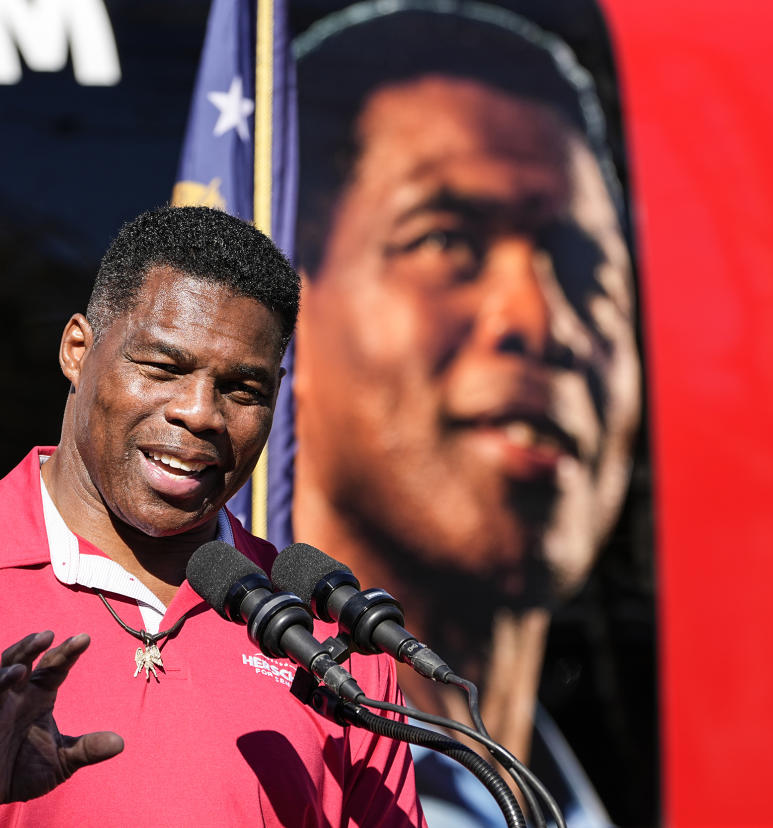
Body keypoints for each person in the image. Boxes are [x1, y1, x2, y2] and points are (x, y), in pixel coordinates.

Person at [0, 206, 423, 827]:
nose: (201, 412)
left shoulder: (325, 633)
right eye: (162, 367)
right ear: (77, 349)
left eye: (243, 389)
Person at [290, 4, 641, 826]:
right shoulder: (247, 777)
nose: (539, 319)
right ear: (290, 314)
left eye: (585, 268)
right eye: (446, 240)